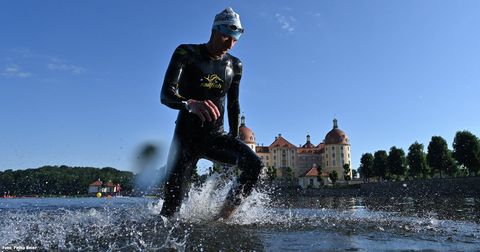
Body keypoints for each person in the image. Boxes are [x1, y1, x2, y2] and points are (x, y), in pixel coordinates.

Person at [160, 7, 262, 219]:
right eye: (226, 37)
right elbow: (166, 95)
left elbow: (234, 104)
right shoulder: (186, 53)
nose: (230, 44)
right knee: (169, 213)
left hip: (215, 137)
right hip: (185, 139)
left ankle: (223, 218)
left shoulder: (235, 65)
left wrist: (234, 139)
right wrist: (190, 103)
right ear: (215, 31)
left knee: (254, 165)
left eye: (235, 40)